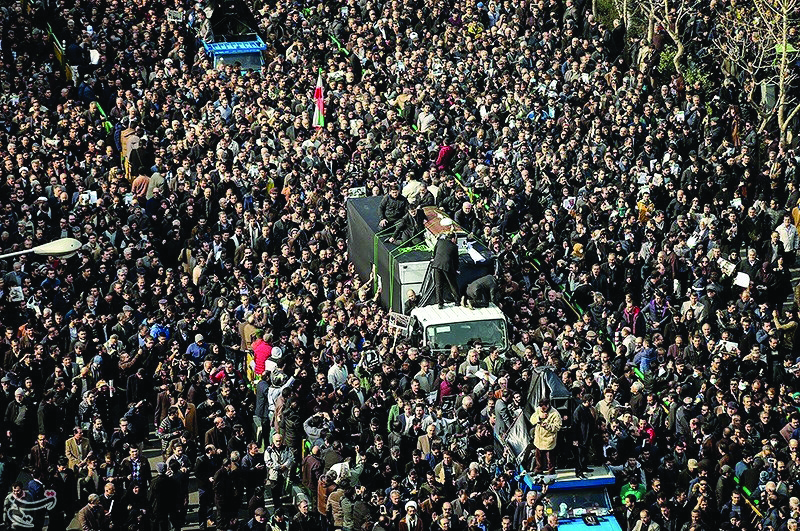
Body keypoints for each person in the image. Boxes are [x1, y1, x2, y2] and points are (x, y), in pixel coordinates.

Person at [530, 398, 561, 474]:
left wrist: (547, 426)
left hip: (548, 439)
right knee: (538, 456)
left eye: (543, 408)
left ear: (547, 405)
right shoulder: (538, 410)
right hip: (539, 438)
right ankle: (538, 469)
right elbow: (532, 419)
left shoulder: (555, 414)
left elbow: (557, 427)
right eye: (541, 408)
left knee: (550, 458)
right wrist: (539, 418)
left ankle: (551, 471)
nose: (542, 409)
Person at [431, 232, 460, 309]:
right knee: (452, 284)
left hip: (436, 265)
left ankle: (440, 303)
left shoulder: (440, 242)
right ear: (453, 239)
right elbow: (456, 260)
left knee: (438, 285)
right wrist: (456, 269)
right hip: (447, 266)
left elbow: (434, 252)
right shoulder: (454, 247)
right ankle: (457, 301)